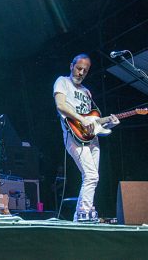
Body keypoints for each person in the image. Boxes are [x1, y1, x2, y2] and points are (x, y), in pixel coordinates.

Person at [53, 53, 119, 222]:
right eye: (78, 68)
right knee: (91, 176)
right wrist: (81, 119)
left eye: (85, 70)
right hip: (74, 135)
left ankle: (85, 212)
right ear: (71, 66)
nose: (81, 73)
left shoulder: (86, 92)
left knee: (92, 177)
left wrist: (109, 123)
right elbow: (61, 105)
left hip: (92, 138)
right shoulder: (63, 81)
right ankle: (83, 213)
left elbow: (94, 120)